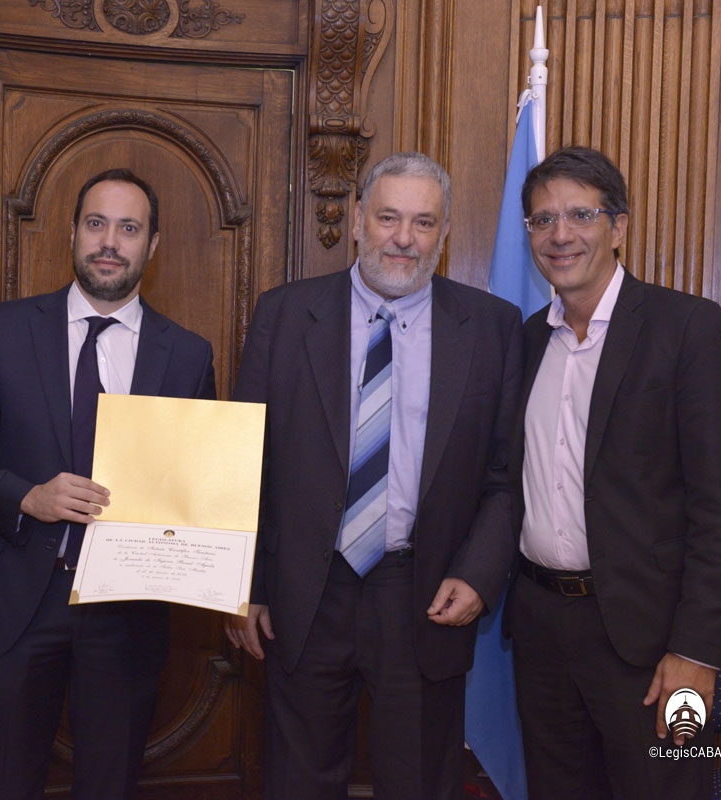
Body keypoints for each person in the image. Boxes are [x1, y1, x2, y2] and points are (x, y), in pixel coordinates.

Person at [225, 152, 523, 799]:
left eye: (423, 223)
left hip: (424, 593)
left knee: (418, 781)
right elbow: (244, 460)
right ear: (358, 220)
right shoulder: (284, 314)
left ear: (443, 235)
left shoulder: (492, 328)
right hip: (304, 591)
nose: (403, 238)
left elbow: (506, 474)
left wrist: (478, 572)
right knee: (298, 781)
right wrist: (241, 584)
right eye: (388, 217)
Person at [0, 168, 216, 800]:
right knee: (7, 782)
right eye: (96, 224)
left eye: (129, 228)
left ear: (153, 245)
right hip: (16, 605)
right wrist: (27, 497)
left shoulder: (189, 355)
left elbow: (196, 489)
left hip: (126, 615)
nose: (109, 241)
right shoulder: (5, 330)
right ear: (71, 233)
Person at [511, 145, 721, 799]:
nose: (560, 235)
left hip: (657, 645)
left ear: (618, 226)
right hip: (540, 633)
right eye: (542, 219)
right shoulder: (525, 341)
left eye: (580, 215)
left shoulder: (686, 328)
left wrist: (698, 652)